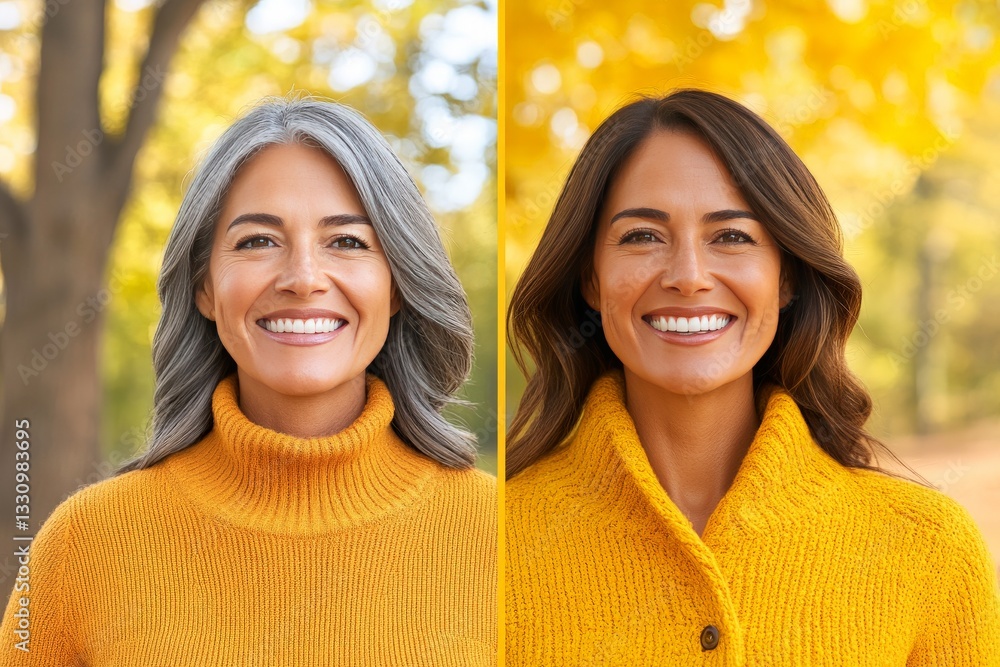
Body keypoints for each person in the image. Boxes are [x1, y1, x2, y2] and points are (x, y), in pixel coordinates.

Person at [504, 89, 999, 665]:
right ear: (591, 279)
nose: (688, 276)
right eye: (642, 236)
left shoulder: (929, 551)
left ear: (786, 276)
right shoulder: (489, 541)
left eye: (733, 236)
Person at [0, 98, 496, 665]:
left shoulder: (504, 537)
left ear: (398, 285)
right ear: (204, 288)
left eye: (348, 242)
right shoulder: (82, 546)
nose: (304, 279)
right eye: (258, 241)